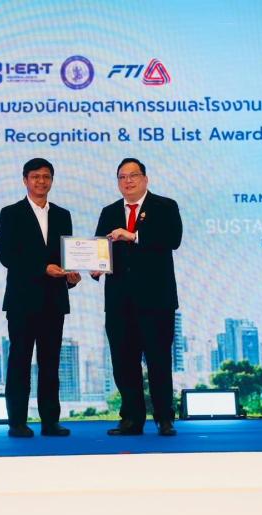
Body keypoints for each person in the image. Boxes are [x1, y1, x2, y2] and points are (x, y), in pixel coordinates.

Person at [92, 157, 182, 436]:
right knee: (123, 363)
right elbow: (100, 248)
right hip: (119, 303)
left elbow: (173, 239)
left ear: (145, 179)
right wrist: (95, 267)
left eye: (133, 175)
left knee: (158, 361)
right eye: (122, 177)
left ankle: (164, 418)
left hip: (156, 301)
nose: (128, 181)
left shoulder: (165, 206)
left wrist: (133, 236)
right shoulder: (109, 211)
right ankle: (131, 418)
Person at [0, 158, 81, 438]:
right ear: (25, 180)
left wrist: (70, 276)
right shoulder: (11, 213)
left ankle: (50, 422)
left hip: (54, 300)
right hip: (22, 301)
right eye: (35, 177)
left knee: (51, 364)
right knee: (19, 362)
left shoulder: (63, 215)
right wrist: (43, 268)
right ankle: (17, 422)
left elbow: (66, 257)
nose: (41, 181)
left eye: (46, 176)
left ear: (52, 180)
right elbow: (7, 255)